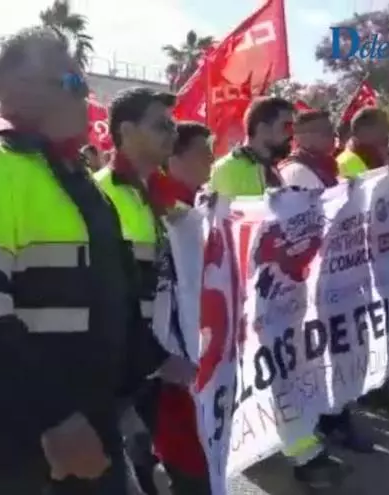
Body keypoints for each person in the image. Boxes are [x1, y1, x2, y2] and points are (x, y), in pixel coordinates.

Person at [0, 27, 166, 494]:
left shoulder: (75, 176)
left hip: (88, 413)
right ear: (23, 94)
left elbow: (109, 291)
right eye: (76, 84)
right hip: (20, 431)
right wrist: (55, 420)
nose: (89, 99)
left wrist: (157, 362)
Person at [209, 96, 344, 489]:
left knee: (281, 369)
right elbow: (232, 232)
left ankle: (295, 445)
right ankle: (300, 454)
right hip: (251, 297)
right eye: (286, 126)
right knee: (267, 372)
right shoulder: (229, 169)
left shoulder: (275, 171)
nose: (291, 135)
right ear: (263, 126)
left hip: (280, 294)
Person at [93, 87, 197, 495]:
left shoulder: (169, 198)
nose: (172, 133)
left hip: (163, 356)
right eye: (161, 125)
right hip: (121, 362)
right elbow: (106, 294)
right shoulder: (99, 194)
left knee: (163, 463)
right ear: (127, 130)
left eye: (172, 125)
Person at [278, 109, 376, 454]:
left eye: (331, 132)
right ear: (301, 137)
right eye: (321, 132)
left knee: (338, 350)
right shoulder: (296, 172)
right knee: (320, 356)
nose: (330, 138)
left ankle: (336, 417)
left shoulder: (327, 169)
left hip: (337, 278)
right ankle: (329, 423)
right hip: (314, 282)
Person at [149, 121, 216, 495]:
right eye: (201, 151)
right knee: (186, 460)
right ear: (173, 157)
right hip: (171, 356)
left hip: (202, 348)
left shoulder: (202, 205)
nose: (210, 158)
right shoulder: (158, 208)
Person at [336, 108, 389, 413]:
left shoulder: (381, 159)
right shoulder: (346, 163)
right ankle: (370, 389)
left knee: (382, 325)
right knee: (365, 330)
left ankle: (381, 384)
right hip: (359, 263)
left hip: (382, 258)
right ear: (364, 130)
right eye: (384, 128)